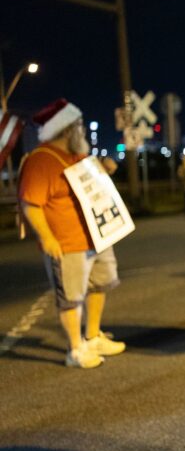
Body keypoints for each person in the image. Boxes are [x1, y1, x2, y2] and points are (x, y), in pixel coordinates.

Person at [18, 99, 126, 369]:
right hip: (67, 242)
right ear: (66, 129)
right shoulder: (40, 161)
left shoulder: (76, 155)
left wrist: (106, 168)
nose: (83, 130)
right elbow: (31, 204)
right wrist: (47, 237)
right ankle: (75, 349)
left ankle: (92, 336)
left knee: (101, 283)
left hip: (96, 236)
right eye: (79, 125)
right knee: (71, 296)